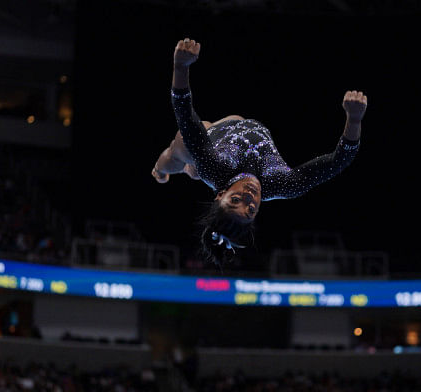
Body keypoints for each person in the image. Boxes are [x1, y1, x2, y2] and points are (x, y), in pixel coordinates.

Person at [152, 38, 368, 267]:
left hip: (215, 133)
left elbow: (185, 114)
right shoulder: (283, 184)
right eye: (251, 209)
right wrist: (354, 120)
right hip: (230, 130)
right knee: (193, 166)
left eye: (235, 200)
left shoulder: (214, 167)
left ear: (220, 195)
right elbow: (339, 162)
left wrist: (180, 66)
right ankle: (188, 170)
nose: (248, 197)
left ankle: (159, 170)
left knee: (182, 146)